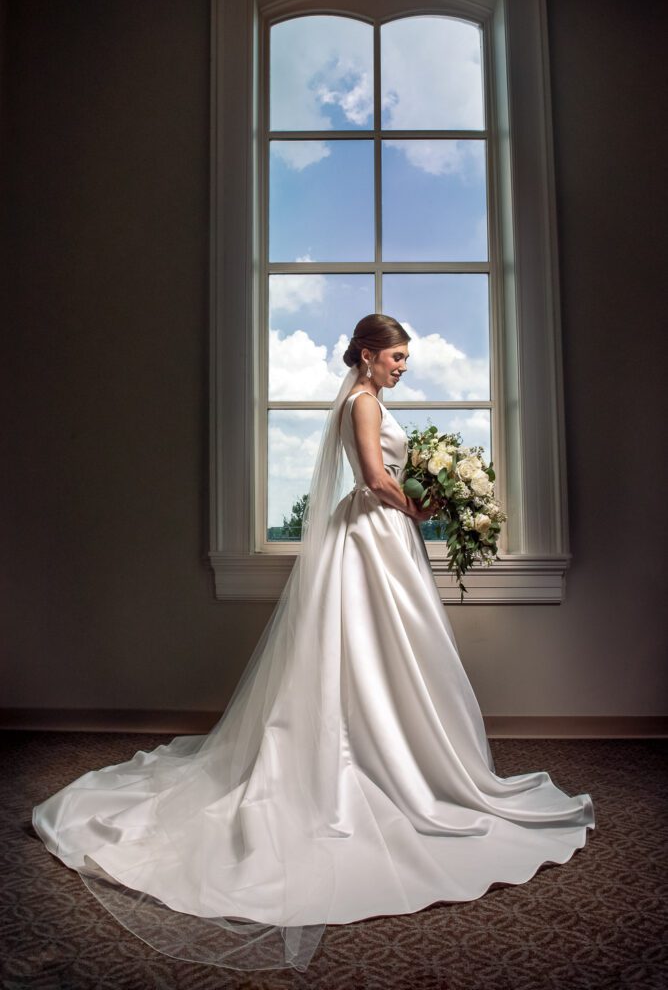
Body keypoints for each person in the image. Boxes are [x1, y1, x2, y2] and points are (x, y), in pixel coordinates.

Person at [32, 314, 595, 973]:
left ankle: (402, 752)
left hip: (384, 537)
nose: (402, 366)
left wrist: (428, 495)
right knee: (365, 642)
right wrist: (421, 507)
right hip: (374, 532)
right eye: (395, 356)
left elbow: (390, 474)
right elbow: (374, 476)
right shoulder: (361, 400)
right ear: (366, 355)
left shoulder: (372, 398)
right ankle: (367, 761)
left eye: (405, 358)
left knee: (393, 648)